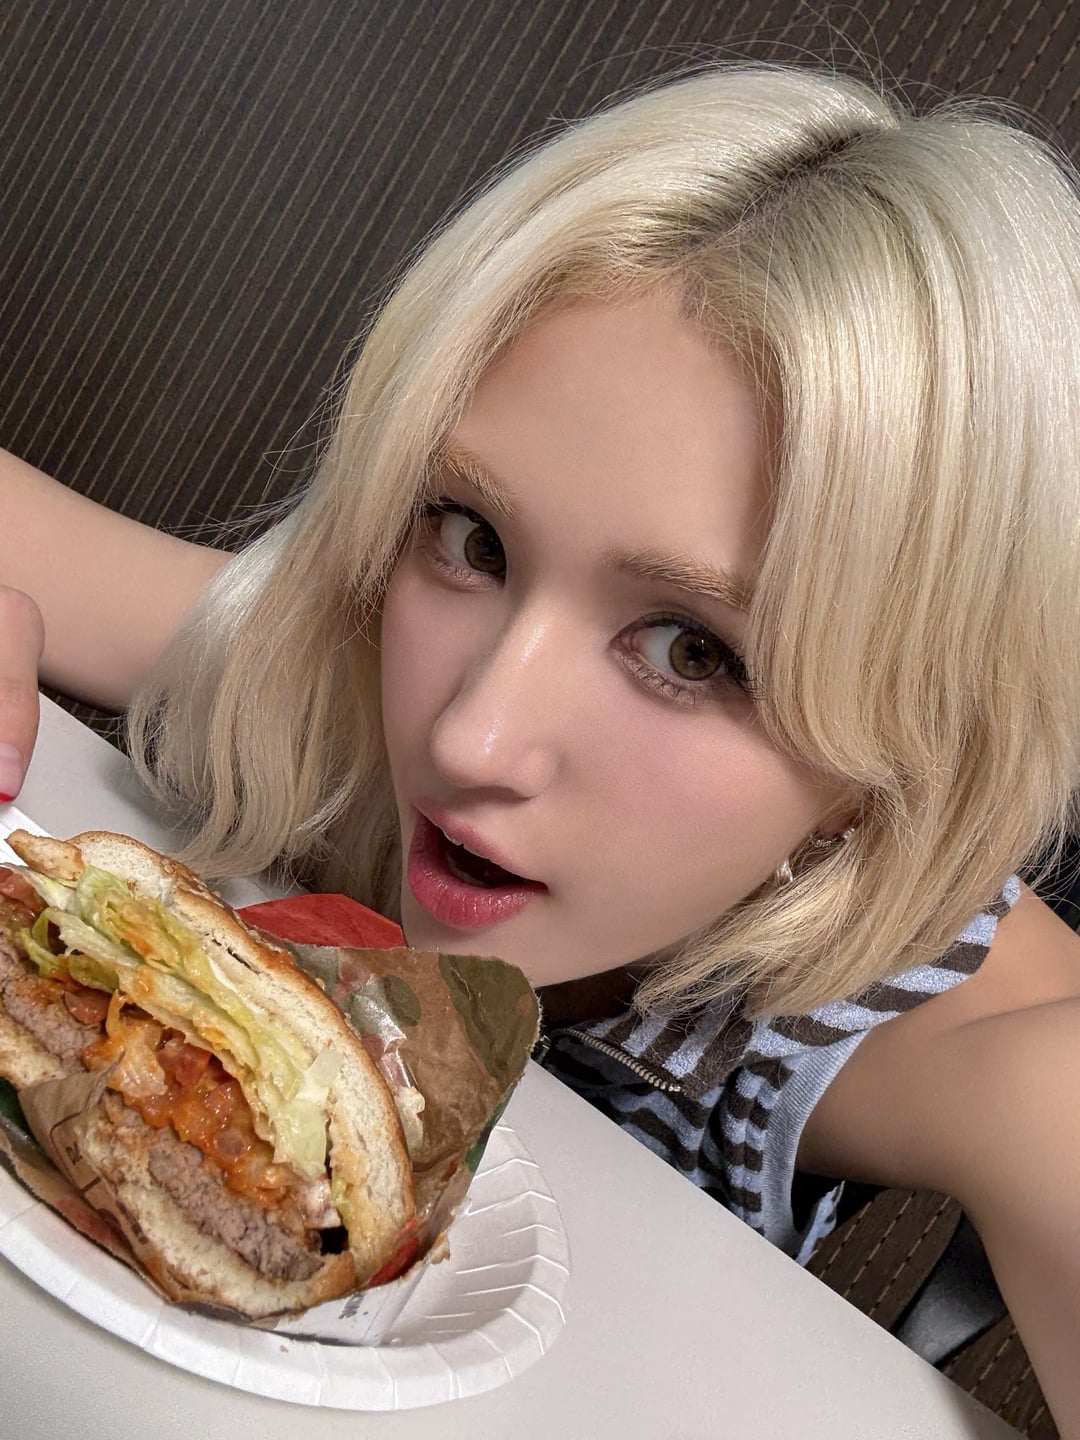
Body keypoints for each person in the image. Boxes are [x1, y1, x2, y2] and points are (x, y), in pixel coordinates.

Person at [3, 62, 1080, 1431]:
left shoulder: (990, 1045)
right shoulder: (346, 665)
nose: (472, 734)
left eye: (693, 651)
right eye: (474, 538)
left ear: (902, 755)